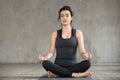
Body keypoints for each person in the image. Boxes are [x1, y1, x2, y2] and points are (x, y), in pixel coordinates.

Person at [39, 6, 92, 78]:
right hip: (58, 65)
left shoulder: (78, 33)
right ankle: (74, 74)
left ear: (71, 18)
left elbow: (82, 51)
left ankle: (57, 73)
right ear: (60, 19)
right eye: (62, 16)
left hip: (73, 66)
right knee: (45, 63)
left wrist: (86, 57)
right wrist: (45, 58)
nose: (64, 18)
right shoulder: (54, 34)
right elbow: (51, 52)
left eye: (67, 15)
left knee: (87, 64)